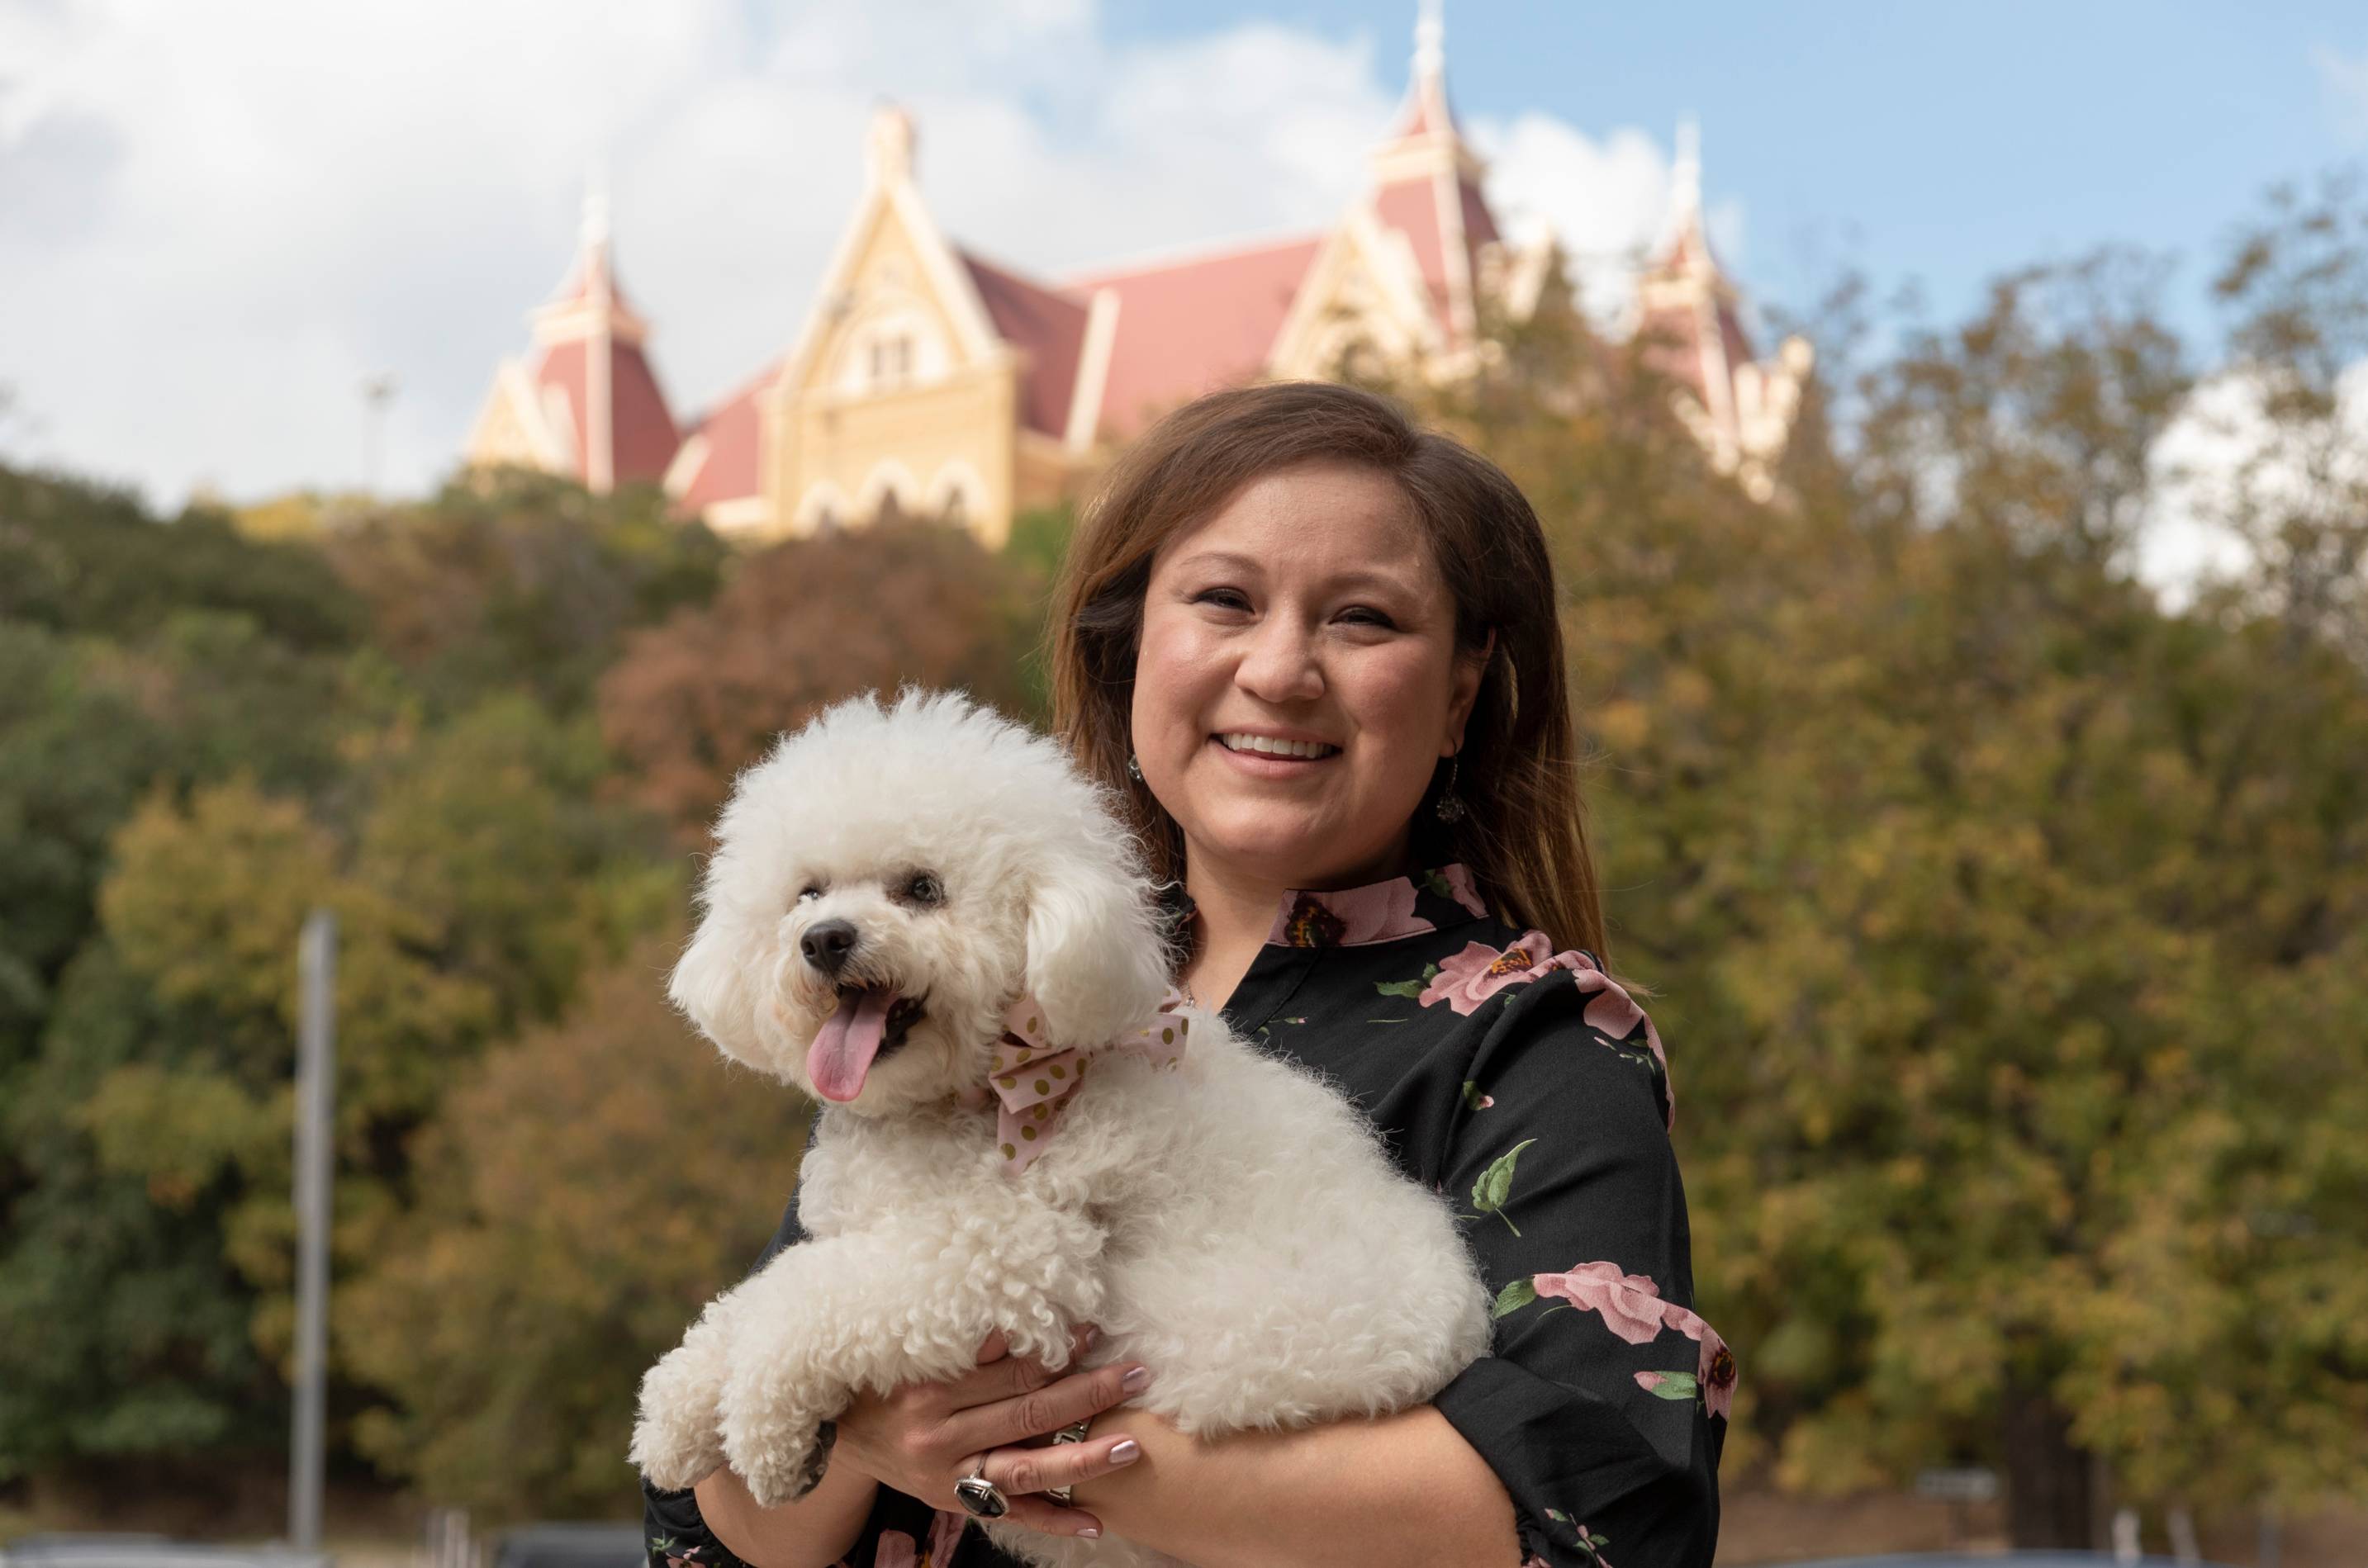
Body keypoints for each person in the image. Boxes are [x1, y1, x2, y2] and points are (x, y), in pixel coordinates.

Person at [644, 381, 1728, 1568]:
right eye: (1224, 600)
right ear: (1132, 653)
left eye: (1361, 619)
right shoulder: (958, 1011)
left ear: (1460, 694)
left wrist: (1001, 1453)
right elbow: (708, 1525)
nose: (1281, 669)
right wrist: (862, 1434)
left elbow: (1607, 1517)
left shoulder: (1540, 1047)